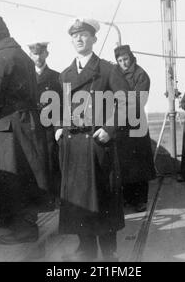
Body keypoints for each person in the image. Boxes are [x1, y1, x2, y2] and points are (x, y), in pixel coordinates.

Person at [0, 16, 54, 245]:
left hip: (10, 125)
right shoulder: (20, 55)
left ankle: (23, 230)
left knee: (12, 177)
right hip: (25, 122)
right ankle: (26, 224)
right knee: (27, 174)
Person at [55, 18, 130, 261]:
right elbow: (63, 106)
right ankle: (85, 251)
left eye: (84, 35)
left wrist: (110, 128)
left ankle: (110, 255)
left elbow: (126, 103)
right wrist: (59, 126)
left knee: (104, 200)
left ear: (94, 39)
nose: (79, 39)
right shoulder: (65, 74)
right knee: (79, 202)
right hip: (74, 147)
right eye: (75, 36)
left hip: (98, 144)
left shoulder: (108, 70)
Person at [114, 45, 156, 212]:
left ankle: (140, 200)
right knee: (123, 162)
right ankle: (126, 199)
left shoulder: (141, 74)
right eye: (120, 60)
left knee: (139, 163)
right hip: (121, 124)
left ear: (131, 58)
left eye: (126, 59)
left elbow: (139, 99)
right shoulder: (115, 74)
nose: (124, 63)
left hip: (136, 122)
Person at [28, 41, 62, 198]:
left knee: (52, 161)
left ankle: (54, 197)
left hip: (51, 127)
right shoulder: (26, 77)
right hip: (32, 126)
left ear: (46, 54)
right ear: (30, 55)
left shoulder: (56, 77)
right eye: (35, 53)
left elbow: (63, 103)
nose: (38, 57)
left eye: (41, 53)